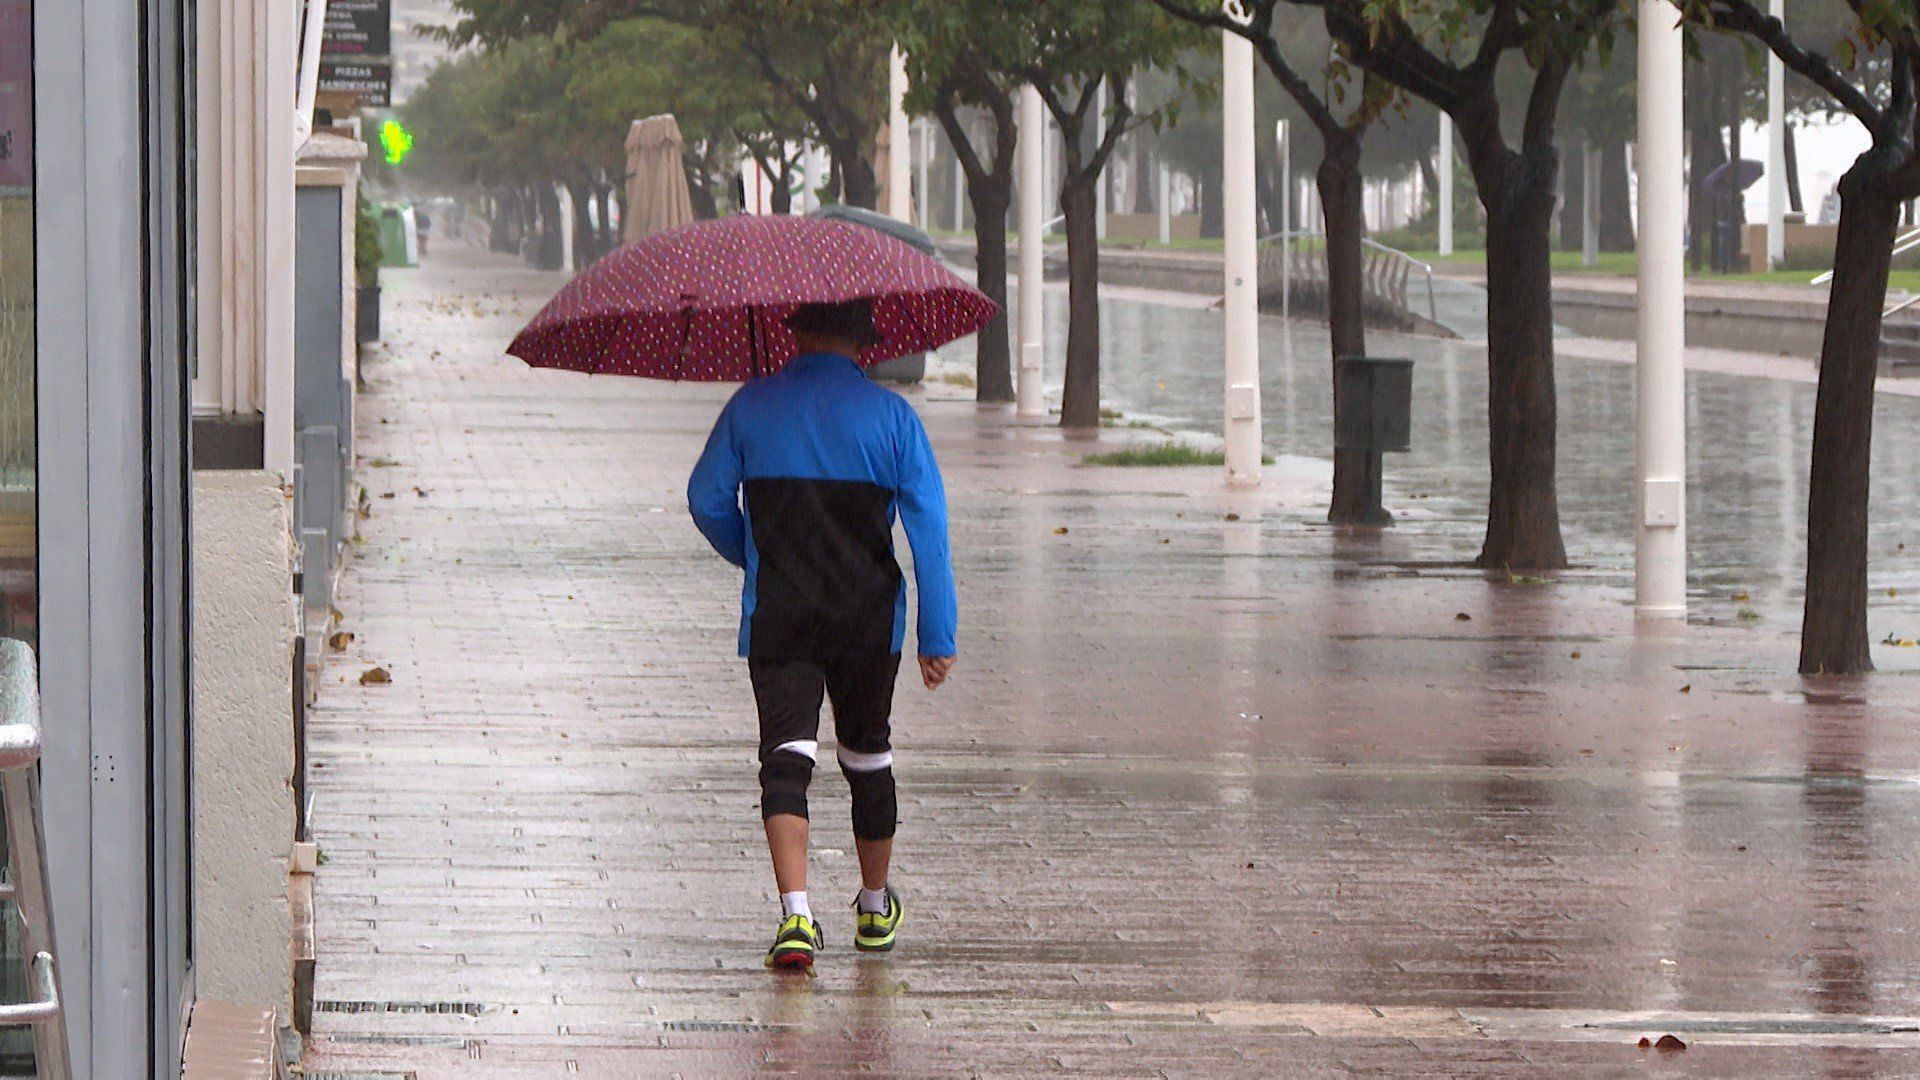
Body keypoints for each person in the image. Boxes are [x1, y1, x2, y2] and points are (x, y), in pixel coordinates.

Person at [687, 298, 957, 972]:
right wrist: (937, 633)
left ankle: (796, 916)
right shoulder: (894, 418)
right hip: (869, 620)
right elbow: (929, 529)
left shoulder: (751, 406)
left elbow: (705, 498)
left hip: (781, 613)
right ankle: (874, 906)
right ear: (865, 343)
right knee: (867, 755)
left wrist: (756, 553)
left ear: (797, 332)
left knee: (786, 757)